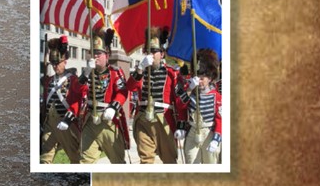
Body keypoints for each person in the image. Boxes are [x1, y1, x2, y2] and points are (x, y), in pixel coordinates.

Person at [125, 26, 183, 164]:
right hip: (143, 119)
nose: (151, 54)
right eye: (148, 51)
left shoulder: (172, 73)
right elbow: (130, 87)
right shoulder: (141, 71)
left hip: (163, 121)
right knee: (145, 160)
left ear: (162, 54)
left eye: (154, 51)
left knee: (169, 160)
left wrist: (181, 124)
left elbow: (179, 101)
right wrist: (140, 68)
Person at [76, 29, 129, 164]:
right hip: (90, 121)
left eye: (99, 53)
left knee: (117, 162)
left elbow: (123, 92)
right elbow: (77, 89)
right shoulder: (87, 73)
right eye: (93, 53)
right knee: (85, 162)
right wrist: (86, 72)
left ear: (107, 54)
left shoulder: (115, 72)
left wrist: (113, 107)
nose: (95, 57)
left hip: (108, 121)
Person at [40, 35, 82, 164]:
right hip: (49, 124)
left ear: (65, 61)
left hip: (64, 123)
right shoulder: (49, 80)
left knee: (75, 158)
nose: (55, 66)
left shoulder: (73, 79)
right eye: (53, 64)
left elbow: (78, 99)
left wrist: (69, 118)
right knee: (44, 158)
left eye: (57, 63)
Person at [178, 48, 223, 164]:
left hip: (209, 132)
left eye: (202, 78)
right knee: (191, 162)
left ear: (210, 78)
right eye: (198, 77)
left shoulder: (217, 97)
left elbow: (220, 119)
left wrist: (216, 139)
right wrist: (189, 89)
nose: (200, 81)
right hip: (192, 131)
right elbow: (181, 107)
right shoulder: (190, 91)